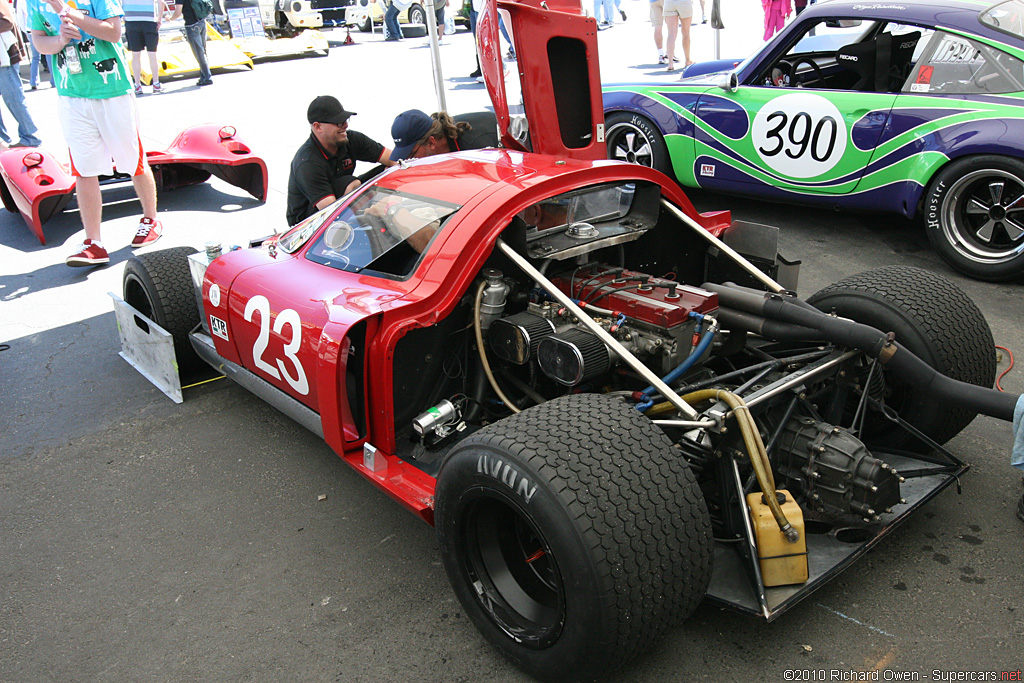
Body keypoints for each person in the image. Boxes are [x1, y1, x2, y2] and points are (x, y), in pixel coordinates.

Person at [29, 0, 162, 267]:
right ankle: (94, 242)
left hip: (113, 92)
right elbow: (39, 42)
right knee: (84, 168)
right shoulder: (35, 2)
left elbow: (113, 32)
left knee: (132, 160)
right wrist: (59, 41)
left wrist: (69, 14)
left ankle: (151, 218)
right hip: (71, 96)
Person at [286, 95, 395, 226]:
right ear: (318, 127)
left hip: (340, 196)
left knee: (388, 170)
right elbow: (331, 213)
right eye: (339, 122)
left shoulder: (350, 139)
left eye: (345, 119)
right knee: (351, 183)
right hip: (307, 222)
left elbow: (393, 159)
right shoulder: (307, 163)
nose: (345, 125)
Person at [0, 0, 41, 148]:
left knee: (13, 98)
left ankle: (30, 137)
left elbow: (7, 21)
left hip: (5, 58)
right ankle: (3, 140)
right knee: (13, 98)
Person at [389, 109, 498, 160]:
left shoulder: (476, 149)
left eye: (411, 155)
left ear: (431, 143)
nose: (409, 161)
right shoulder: (445, 136)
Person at [124, 0, 164, 93]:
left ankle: (137, 85)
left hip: (131, 20)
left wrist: (123, 15)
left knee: (135, 55)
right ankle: (156, 83)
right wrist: (159, 18)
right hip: (149, 20)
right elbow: (161, 2)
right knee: (152, 54)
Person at [169, 0, 211, 86]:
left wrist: (170, 18)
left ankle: (207, 77)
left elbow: (178, 12)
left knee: (199, 52)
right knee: (202, 50)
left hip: (191, 25)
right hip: (202, 22)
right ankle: (203, 76)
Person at [663, 0, 693, 71]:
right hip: (684, 3)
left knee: (671, 34)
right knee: (686, 33)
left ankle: (670, 63)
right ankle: (687, 60)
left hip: (669, 3)